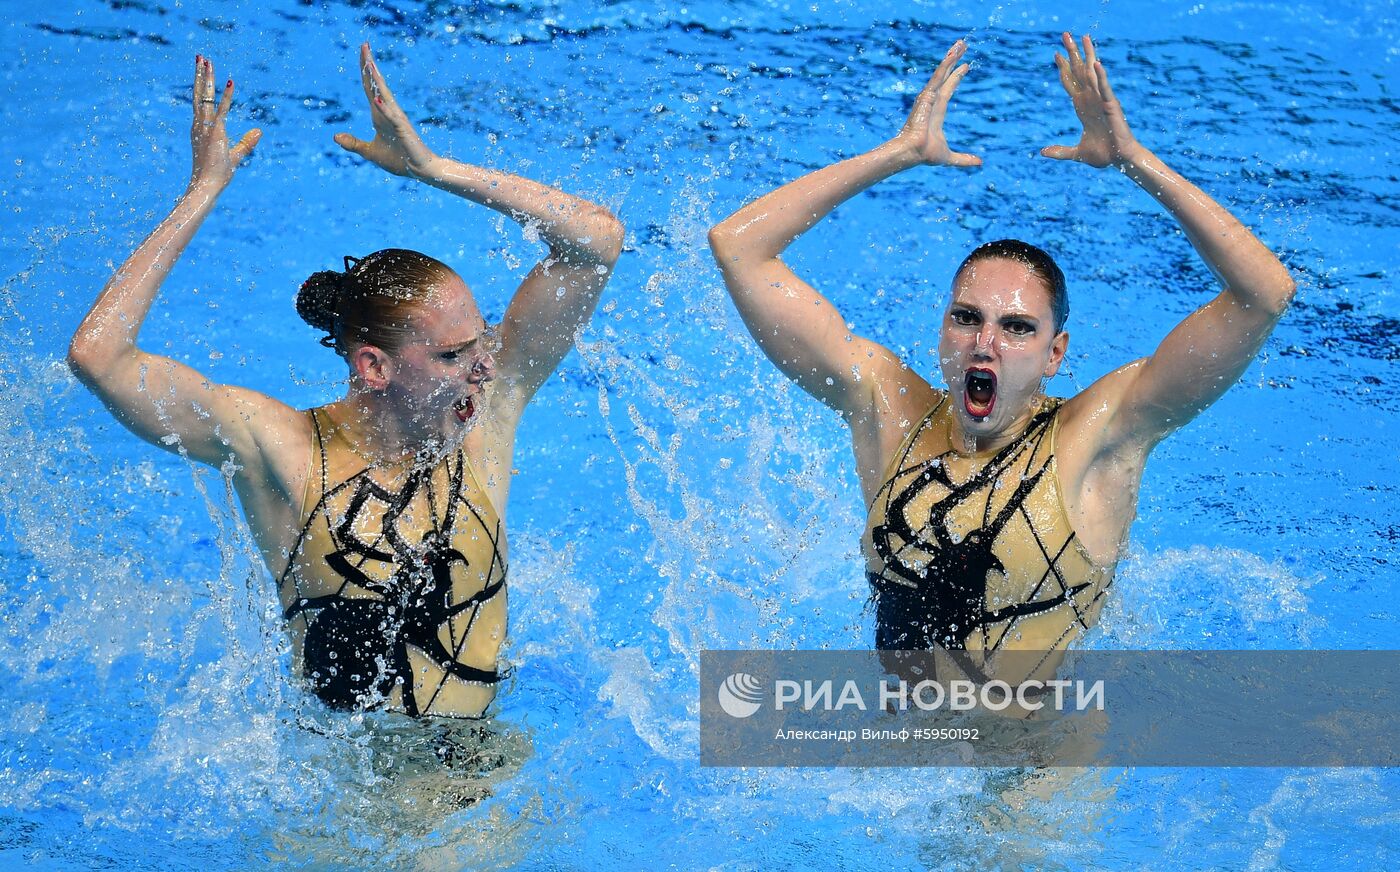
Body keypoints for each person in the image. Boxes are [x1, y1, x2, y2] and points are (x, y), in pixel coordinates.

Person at [67, 46, 624, 719]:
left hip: (481, 791)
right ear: (373, 367)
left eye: (480, 343)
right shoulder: (279, 446)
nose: (482, 367)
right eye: (452, 356)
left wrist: (435, 168)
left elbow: (594, 240)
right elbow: (99, 357)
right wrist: (202, 191)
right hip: (343, 809)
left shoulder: (484, 417)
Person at [708, 35, 1295, 666]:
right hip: (895, 747)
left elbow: (1263, 294)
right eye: (966, 319)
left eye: (1016, 328)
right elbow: (739, 248)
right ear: (941, 331)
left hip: (1039, 759)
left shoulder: (1101, 434)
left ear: (1054, 354)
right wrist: (897, 154)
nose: (984, 342)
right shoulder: (888, 410)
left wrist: (1133, 160)